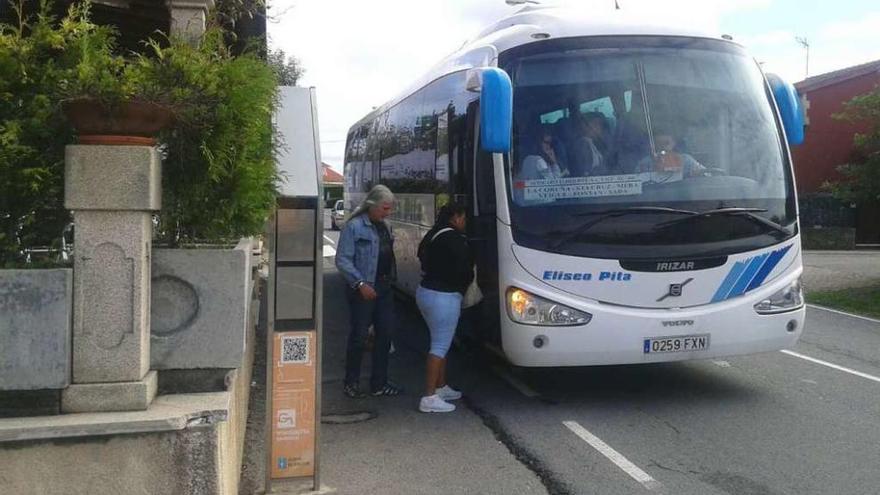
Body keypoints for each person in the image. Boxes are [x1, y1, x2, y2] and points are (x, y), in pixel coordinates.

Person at [334, 185, 402, 398]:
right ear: (372, 206)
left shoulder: (386, 227)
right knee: (359, 336)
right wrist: (360, 284)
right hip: (363, 288)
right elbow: (343, 260)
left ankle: (379, 383)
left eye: (389, 209)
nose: (387, 213)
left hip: (383, 288)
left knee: (385, 335)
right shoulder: (354, 227)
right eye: (384, 208)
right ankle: (351, 382)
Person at [415, 202, 474, 413]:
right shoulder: (455, 240)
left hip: (426, 292)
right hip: (444, 297)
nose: (465, 221)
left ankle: (441, 387)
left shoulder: (434, 233)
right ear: (455, 217)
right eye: (463, 217)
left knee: (441, 341)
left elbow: (420, 255)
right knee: (439, 346)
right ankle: (429, 397)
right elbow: (465, 270)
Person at [637, 132, 707, 182]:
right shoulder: (644, 164)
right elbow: (635, 183)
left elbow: (708, 175)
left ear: (674, 143)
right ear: (653, 145)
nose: (663, 147)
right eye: (659, 144)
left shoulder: (686, 160)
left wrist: (698, 175)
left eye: (666, 143)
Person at [569, 112, 608, 177]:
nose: (599, 128)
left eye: (600, 124)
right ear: (584, 126)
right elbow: (585, 173)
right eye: (595, 124)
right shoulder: (582, 145)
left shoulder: (592, 143)